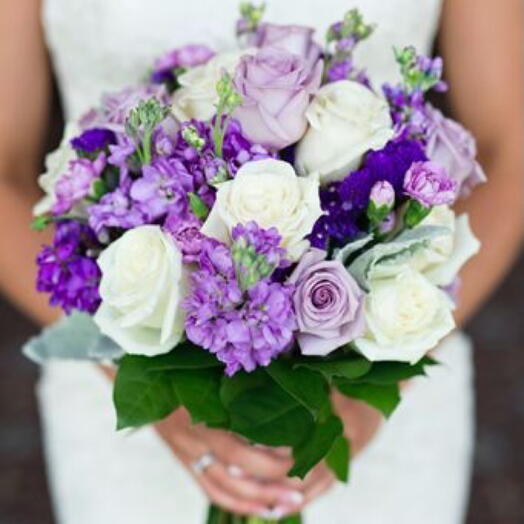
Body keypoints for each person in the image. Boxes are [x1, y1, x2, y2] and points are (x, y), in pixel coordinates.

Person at [0, 0, 522, 522]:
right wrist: (152, 385)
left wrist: (384, 375)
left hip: (386, 368)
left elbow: (510, 153)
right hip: (120, 380)